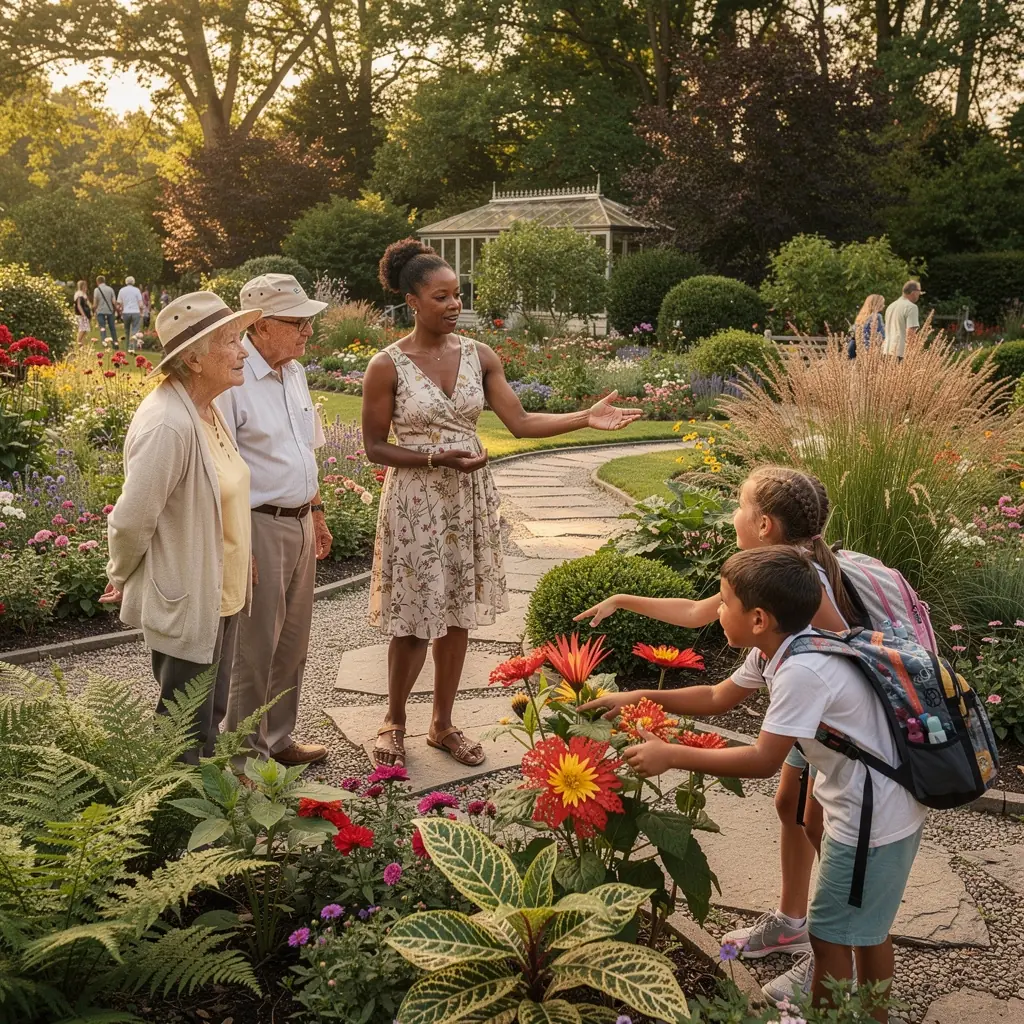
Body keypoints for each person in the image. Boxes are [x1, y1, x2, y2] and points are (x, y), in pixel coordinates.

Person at [584, 546, 927, 1024]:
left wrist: (672, 755)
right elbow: (715, 696)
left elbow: (764, 759)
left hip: (871, 820)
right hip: (873, 806)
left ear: (759, 618)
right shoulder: (784, 649)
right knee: (866, 929)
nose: (718, 611)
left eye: (725, 603)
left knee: (832, 936)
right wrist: (640, 695)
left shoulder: (802, 672)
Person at [576, 464, 862, 1002]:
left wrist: (674, 751)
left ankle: (831, 951)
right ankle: (793, 921)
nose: (733, 514)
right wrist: (623, 601)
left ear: (765, 525)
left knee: (825, 828)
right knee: (791, 807)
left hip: (835, 730)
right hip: (806, 717)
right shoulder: (765, 579)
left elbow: (839, 654)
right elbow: (701, 629)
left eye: (739, 505)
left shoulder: (795, 587)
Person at [363, 237, 642, 770]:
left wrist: (584, 418)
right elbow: (375, 446)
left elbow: (520, 422)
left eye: (456, 294)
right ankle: (393, 721)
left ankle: (442, 724)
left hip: (467, 499)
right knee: (414, 619)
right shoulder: (387, 364)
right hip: (416, 502)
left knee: (458, 614)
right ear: (412, 302)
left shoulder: (479, 355)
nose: (454, 304)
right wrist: (434, 459)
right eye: (441, 297)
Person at [101, 292, 260, 763]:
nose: (243, 351)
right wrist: (120, 573)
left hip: (219, 591)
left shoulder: (206, 410)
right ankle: (177, 805)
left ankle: (206, 797)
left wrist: (242, 554)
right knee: (183, 728)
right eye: (230, 341)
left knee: (207, 716)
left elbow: (222, 496)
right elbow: (132, 519)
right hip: (188, 596)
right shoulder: (168, 424)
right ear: (193, 359)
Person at [217, 273, 334, 767]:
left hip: (301, 521)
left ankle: (279, 741)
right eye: (297, 321)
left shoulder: (294, 372)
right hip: (258, 525)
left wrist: (318, 512)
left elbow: (306, 449)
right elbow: (221, 469)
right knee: (253, 650)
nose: (308, 330)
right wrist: (237, 544)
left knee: (292, 643)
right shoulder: (233, 379)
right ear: (260, 326)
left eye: (309, 320)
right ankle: (242, 758)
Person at [882, 281, 923, 361]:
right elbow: (910, 332)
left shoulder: (891, 306)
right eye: (919, 292)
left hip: (886, 349)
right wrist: (912, 352)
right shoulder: (911, 307)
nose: (919, 295)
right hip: (900, 352)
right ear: (914, 292)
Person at [848, 294, 885, 359]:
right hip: (873, 353)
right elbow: (882, 336)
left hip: (860, 353)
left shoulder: (860, 318)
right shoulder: (877, 316)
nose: (883, 305)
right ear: (876, 304)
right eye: (882, 304)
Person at [118, 276, 144, 352]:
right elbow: (140, 303)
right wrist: (141, 312)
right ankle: (131, 347)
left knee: (126, 330)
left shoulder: (122, 290)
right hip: (135, 312)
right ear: (133, 282)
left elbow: (119, 303)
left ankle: (127, 347)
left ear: (126, 282)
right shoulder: (137, 290)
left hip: (126, 312)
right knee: (135, 330)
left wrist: (120, 312)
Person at [93, 275, 118, 348]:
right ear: (104, 281)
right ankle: (115, 343)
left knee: (102, 327)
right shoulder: (110, 289)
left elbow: (95, 303)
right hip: (109, 311)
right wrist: (117, 309)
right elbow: (114, 301)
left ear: (97, 282)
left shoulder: (96, 290)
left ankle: (105, 342)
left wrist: (93, 309)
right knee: (112, 328)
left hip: (100, 311)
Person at [73, 280, 92, 347]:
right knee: (82, 330)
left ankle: (82, 345)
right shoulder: (79, 294)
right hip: (81, 315)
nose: (86, 287)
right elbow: (79, 305)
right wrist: (83, 315)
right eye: (84, 285)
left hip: (85, 315)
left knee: (85, 330)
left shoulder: (84, 294)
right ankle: (78, 343)